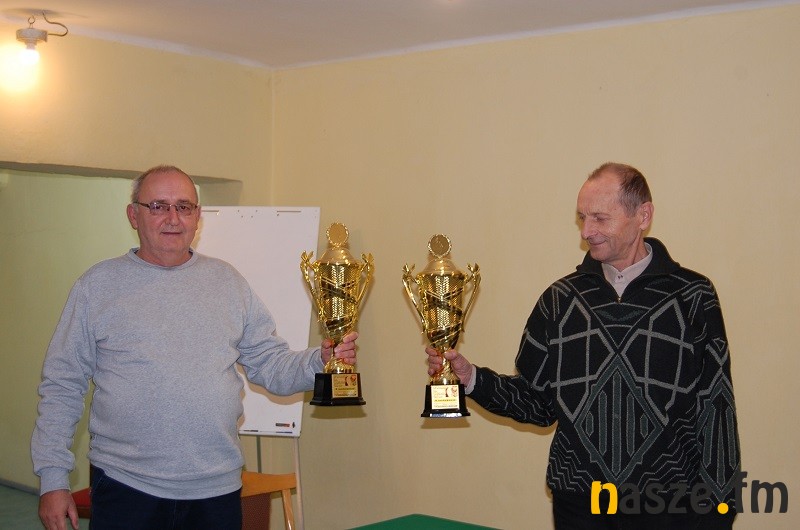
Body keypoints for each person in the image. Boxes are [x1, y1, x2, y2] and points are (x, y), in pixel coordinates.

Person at [31, 165, 358, 530]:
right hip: (127, 488)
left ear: (198, 217)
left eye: (184, 207)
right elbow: (62, 385)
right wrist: (53, 478)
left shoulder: (228, 283)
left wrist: (321, 361)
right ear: (133, 215)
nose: (173, 218)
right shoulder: (97, 286)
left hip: (216, 492)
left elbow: (269, 363)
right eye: (158, 206)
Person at [427, 162, 740, 529]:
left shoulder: (693, 295)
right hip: (578, 504)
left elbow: (717, 405)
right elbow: (538, 403)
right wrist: (471, 379)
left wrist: (720, 508)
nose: (587, 231)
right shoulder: (559, 300)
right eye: (582, 218)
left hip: (669, 506)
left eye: (600, 218)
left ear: (643, 215)